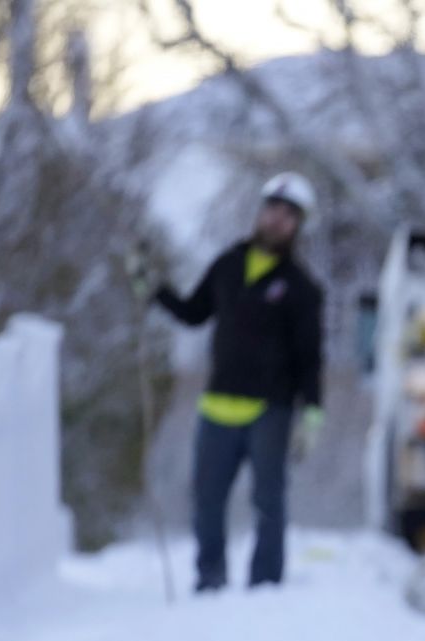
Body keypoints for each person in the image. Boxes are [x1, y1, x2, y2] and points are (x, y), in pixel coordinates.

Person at [132, 173, 326, 592]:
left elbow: (310, 358)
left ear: (297, 226)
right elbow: (192, 313)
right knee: (205, 500)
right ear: (260, 212)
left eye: (288, 216)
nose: (277, 220)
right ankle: (210, 575)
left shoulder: (301, 288)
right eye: (272, 210)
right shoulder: (227, 265)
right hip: (217, 406)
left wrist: (312, 412)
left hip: (269, 411)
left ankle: (266, 583)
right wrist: (152, 288)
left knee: (268, 501)